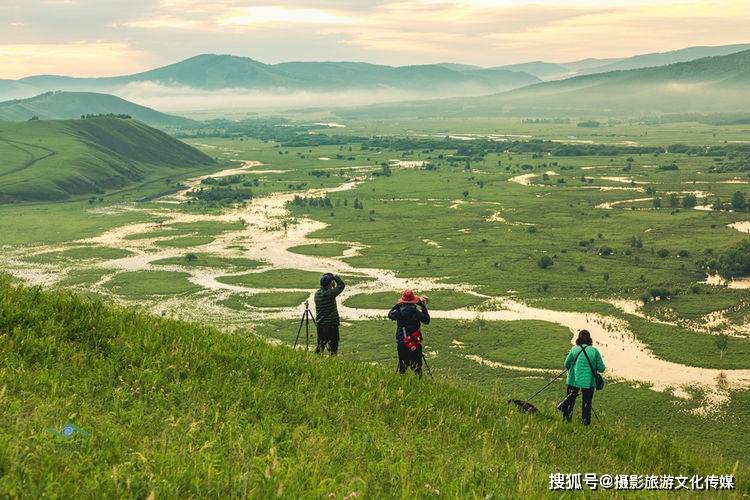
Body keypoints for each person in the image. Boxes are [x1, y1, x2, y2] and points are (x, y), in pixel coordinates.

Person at [557, 329, 606, 425]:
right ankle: (585, 423)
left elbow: (566, 364)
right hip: (589, 383)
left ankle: (566, 421)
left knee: (570, 403)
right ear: (590, 339)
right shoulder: (594, 351)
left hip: (573, 380)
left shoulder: (574, 349)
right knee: (587, 404)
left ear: (578, 338)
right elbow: (602, 369)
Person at [388, 290, 430, 377]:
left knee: (403, 366)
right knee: (417, 367)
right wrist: (423, 306)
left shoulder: (398, 312)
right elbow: (426, 320)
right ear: (413, 301)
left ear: (402, 301)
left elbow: (390, 315)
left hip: (402, 341)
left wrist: (397, 305)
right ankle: (418, 382)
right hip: (414, 342)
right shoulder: (416, 312)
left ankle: (402, 381)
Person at [314, 273, 345, 355]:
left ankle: (315, 361)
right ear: (330, 284)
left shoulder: (317, 294)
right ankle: (332, 362)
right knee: (333, 347)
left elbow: (326, 289)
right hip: (331, 325)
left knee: (320, 346)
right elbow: (341, 285)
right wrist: (334, 277)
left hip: (320, 325)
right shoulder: (330, 294)